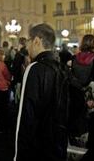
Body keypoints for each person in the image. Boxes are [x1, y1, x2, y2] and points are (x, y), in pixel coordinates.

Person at [14, 23, 69, 161]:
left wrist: (19, 155)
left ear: (37, 41)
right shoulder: (61, 68)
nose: (26, 46)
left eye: (28, 41)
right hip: (56, 143)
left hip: (38, 146)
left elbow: (26, 115)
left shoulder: (35, 68)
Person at [11, 37, 28, 105]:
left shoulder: (19, 54)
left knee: (18, 95)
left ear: (20, 43)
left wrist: (14, 76)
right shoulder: (28, 52)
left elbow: (16, 66)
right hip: (26, 76)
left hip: (19, 77)